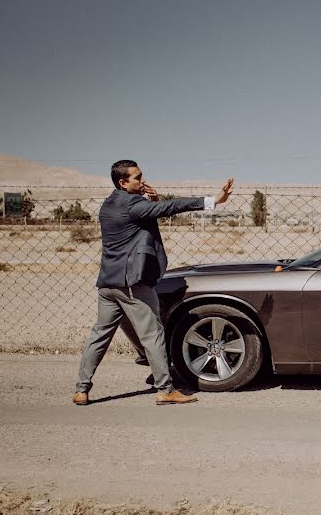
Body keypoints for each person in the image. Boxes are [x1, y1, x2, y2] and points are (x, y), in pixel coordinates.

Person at [73, 160, 234, 406]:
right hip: (132, 284)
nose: (142, 180)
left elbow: (146, 217)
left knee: (100, 335)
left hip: (107, 284)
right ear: (123, 182)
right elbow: (172, 207)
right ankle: (165, 389)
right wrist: (213, 200)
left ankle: (81, 389)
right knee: (153, 335)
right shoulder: (134, 205)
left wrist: (153, 202)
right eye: (137, 178)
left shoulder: (108, 204)